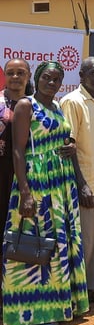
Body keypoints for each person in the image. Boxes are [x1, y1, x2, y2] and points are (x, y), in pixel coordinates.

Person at [2, 61, 89, 325]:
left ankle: (61, 304)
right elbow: (18, 151)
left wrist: (70, 147)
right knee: (34, 243)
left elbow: (62, 138)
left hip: (61, 184)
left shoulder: (57, 106)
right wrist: (25, 192)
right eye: (46, 78)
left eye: (56, 79)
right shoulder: (26, 105)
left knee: (59, 242)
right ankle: (35, 312)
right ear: (37, 78)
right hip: (37, 181)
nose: (51, 83)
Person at [60, 57, 94, 306]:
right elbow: (68, 145)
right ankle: (78, 293)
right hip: (86, 185)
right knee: (85, 241)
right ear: (81, 75)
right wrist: (80, 183)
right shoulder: (72, 101)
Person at [1, 59, 32, 233]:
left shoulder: (34, 106)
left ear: (29, 76)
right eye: (10, 73)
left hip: (26, 174)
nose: (15, 77)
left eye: (20, 73)